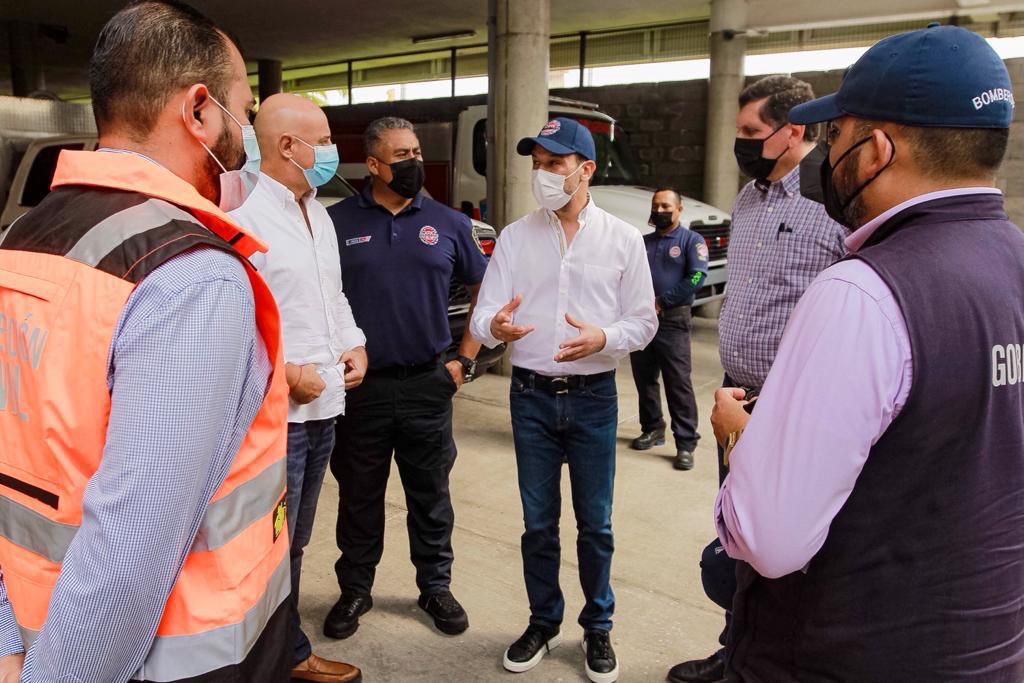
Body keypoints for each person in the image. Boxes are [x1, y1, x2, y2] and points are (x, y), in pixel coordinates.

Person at [712, 24, 1024, 681]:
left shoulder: (864, 292)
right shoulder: (1013, 262)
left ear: (878, 147)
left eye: (839, 135)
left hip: (850, 649)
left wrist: (745, 438)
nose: (830, 156)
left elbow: (770, 539)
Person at [0, 2, 296, 681]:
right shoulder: (190, 277)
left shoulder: (21, 241)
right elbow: (129, 548)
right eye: (241, 110)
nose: (245, 132)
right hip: (166, 661)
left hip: (28, 628)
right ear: (198, 111)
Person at [668, 75, 845, 683]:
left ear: (793, 130)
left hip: (796, 408)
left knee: (791, 551)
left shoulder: (833, 201)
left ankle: (783, 663)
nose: (738, 144)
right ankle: (737, 651)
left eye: (750, 132)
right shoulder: (748, 200)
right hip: (735, 399)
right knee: (737, 542)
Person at [471, 117, 657, 683]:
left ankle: (597, 627)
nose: (544, 175)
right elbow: (483, 315)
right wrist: (494, 329)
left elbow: (644, 321)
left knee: (595, 524)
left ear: (585, 170)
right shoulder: (514, 236)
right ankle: (543, 622)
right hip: (529, 398)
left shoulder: (622, 240)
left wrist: (605, 338)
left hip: (595, 398)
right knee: (538, 523)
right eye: (538, 165)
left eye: (555, 165)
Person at [323, 117, 487, 640]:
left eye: (416, 151)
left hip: (427, 384)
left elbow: (485, 289)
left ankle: (435, 586)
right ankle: (354, 589)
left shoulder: (449, 223)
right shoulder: (335, 223)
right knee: (359, 496)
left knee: (430, 495)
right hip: (361, 391)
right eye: (401, 155)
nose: (414, 162)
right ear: (372, 165)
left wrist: (465, 359)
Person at [229, 93, 364, 683]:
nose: (333, 151)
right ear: (288, 146)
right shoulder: (243, 213)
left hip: (323, 408)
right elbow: (230, 317)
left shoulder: (320, 212)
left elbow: (328, 296)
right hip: (274, 417)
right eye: (327, 138)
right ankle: (262, 657)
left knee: (296, 540)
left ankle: (285, 650)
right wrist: (286, 375)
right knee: (262, 544)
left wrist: (353, 342)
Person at [629, 188, 709, 471]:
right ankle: (652, 428)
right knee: (644, 378)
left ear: (679, 209)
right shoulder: (643, 241)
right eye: (656, 205)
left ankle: (686, 444)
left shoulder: (692, 240)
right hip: (641, 319)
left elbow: (698, 276)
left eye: (666, 205)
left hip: (673, 320)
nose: (660, 210)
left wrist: (663, 302)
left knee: (678, 383)